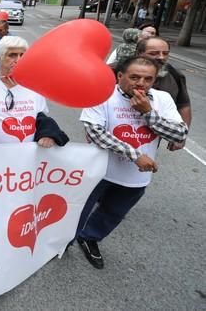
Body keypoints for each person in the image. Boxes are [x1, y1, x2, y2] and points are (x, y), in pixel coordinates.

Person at [76, 57, 187, 269]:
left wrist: (148, 113)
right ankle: (63, 242)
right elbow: (96, 133)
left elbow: (179, 133)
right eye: (134, 77)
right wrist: (135, 155)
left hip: (136, 177)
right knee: (78, 210)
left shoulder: (161, 100)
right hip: (98, 171)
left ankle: (90, 238)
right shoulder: (103, 95)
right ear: (120, 76)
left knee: (113, 212)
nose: (141, 83)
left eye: (148, 79)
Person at [136, 37, 191, 149]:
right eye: (154, 53)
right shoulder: (117, 70)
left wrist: (180, 138)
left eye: (165, 53)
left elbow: (183, 105)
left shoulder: (175, 75)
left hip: (152, 139)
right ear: (139, 54)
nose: (161, 57)